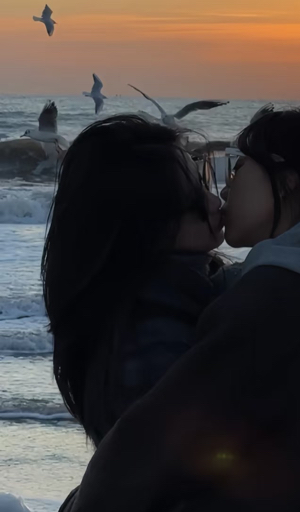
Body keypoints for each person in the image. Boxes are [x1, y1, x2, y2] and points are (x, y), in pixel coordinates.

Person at [64, 106, 300, 512]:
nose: (223, 190)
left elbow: (139, 452)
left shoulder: (272, 299)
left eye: (238, 167)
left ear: (288, 180)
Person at [42, 115, 227, 448]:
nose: (215, 202)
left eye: (204, 181)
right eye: (192, 198)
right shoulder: (153, 338)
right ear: (146, 222)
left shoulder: (175, 296)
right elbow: (193, 459)